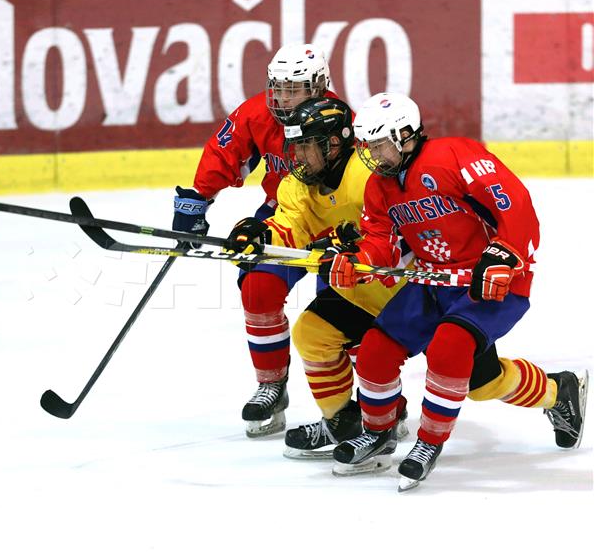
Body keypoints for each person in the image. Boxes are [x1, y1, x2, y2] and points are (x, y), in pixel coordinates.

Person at [226, 96, 579, 464]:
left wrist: (506, 251)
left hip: (445, 284)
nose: (297, 156)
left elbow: (511, 203)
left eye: (305, 146)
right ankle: (354, 425)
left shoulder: (430, 162)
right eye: (294, 146)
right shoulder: (355, 181)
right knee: (325, 337)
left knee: (480, 380)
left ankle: (557, 391)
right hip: (412, 286)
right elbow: (360, 235)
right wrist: (265, 235)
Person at [324, 92, 588, 490]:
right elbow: (382, 239)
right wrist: (358, 259)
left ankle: (429, 442)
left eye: (378, 144)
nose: (371, 155)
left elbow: (513, 203)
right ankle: (379, 433)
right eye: (367, 146)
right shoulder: (381, 186)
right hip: (432, 281)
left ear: (404, 134)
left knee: (451, 348)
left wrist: (505, 254)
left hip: (491, 279)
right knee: (377, 350)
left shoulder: (452, 156)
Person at [172, 43, 342, 437]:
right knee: (258, 287)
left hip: (336, 221)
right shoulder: (257, 113)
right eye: (277, 86)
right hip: (284, 213)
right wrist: (197, 200)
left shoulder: (340, 121)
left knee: (342, 313)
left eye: (293, 88)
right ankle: (271, 386)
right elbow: (224, 151)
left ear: (318, 87)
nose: (281, 97)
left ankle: (372, 409)